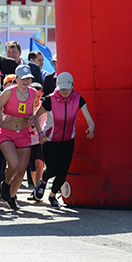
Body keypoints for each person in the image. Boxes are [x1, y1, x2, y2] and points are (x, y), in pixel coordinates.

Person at [36, 70, 95, 208]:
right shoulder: (49, 100)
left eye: (67, 89)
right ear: (57, 86)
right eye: (61, 88)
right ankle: (43, 182)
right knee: (53, 169)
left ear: (72, 86)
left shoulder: (78, 99)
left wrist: (90, 128)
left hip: (68, 140)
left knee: (63, 172)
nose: (64, 91)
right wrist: (40, 132)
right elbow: (35, 116)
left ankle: (52, 195)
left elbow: (89, 119)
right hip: (50, 139)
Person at [0, 65, 42, 210]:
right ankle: (7, 182)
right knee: (14, 164)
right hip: (6, 133)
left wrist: (31, 119)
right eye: (22, 78)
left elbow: (31, 112)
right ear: (16, 79)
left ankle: (12, 196)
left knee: (22, 169)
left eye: (28, 78)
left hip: (23, 133)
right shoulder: (8, 92)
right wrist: (3, 116)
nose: (26, 81)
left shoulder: (33, 93)